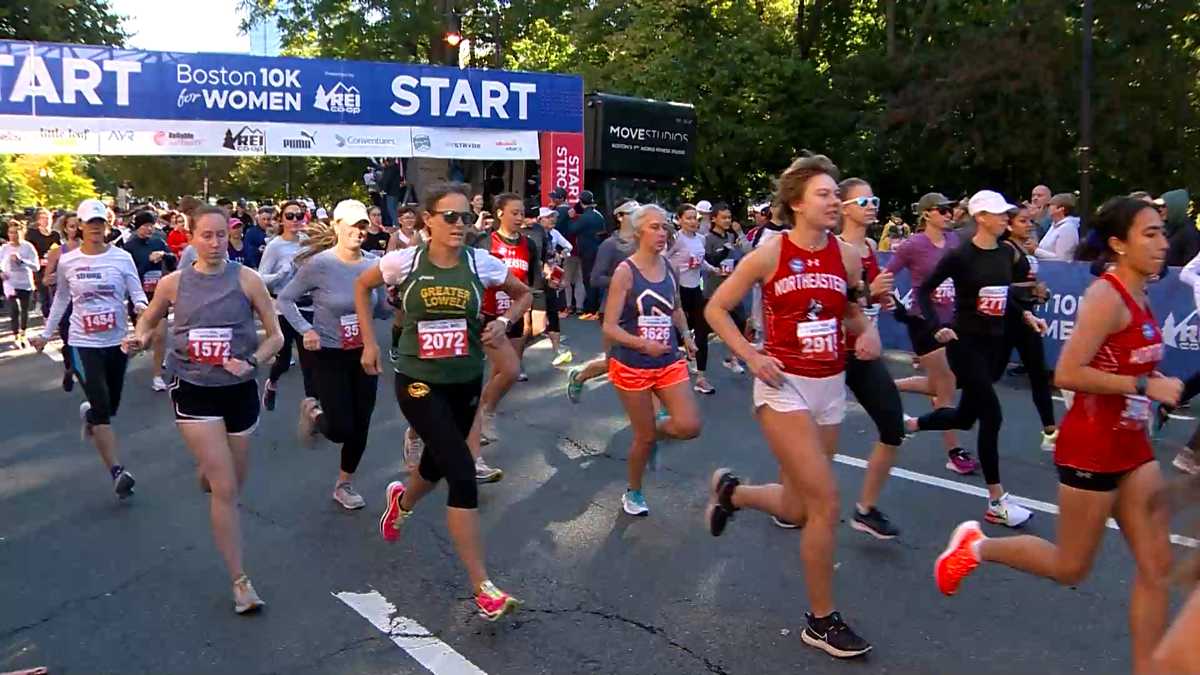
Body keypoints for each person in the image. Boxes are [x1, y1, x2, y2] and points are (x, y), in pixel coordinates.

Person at [934, 196, 1179, 674]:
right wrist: (1144, 384)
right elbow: (1065, 372)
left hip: (1133, 449)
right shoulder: (1106, 297)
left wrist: (1150, 394)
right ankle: (974, 547)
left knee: (1157, 568)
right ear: (1118, 244)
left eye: (1162, 232)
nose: (1162, 243)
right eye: (1149, 234)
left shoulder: (1142, 293)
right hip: (1091, 449)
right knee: (1071, 566)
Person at [703, 154, 880, 659]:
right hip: (784, 387)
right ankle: (821, 621)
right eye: (824, 194)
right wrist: (751, 355)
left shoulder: (844, 256)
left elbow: (847, 308)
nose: (834, 202)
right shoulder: (769, 252)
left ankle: (733, 494)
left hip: (831, 389)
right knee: (826, 501)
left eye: (835, 194)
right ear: (797, 203)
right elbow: (716, 308)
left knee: (800, 507)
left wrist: (864, 332)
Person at [356, 181, 531, 621]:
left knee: (435, 463)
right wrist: (369, 344)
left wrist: (504, 320)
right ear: (428, 221)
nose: (459, 225)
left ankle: (403, 504)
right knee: (460, 470)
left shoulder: (481, 262)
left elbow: (525, 294)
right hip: (417, 380)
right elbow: (362, 286)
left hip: (465, 378)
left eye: (465, 218)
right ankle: (483, 587)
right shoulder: (404, 261)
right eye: (449, 217)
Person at [125, 204, 282, 614]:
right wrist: (140, 339)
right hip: (193, 388)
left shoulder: (247, 280)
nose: (214, 244)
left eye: (220, 235)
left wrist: (252, 361)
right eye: (206, 236)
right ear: (191, 237)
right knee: (226, 489)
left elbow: (276, 336)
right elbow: (149, 320)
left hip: (239, 389)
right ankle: (240, 581)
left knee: (231, 481)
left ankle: (208, 469)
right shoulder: (174, 284)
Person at [904, 190, 1045, 527]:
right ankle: (996, 502)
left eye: (1005, 214)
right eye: (998, 214)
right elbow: (924, 290)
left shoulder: (1003, 254)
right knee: (992, 416)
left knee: (967, 416)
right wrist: (938, 327)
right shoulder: (961, 255)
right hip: (964, 344)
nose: (1004, 219)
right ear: (980, 217)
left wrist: (1026, 317)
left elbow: (1001, 295)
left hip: (993, 346)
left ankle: (909, 425)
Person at [32, 199, 147, 499]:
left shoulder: (121, 258)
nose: (96, 228)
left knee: (110, 407)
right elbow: (61, 300)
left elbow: (137, 296)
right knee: (102, 409)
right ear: (80, 226)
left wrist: (142, 322)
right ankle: (117, 472)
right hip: (83, 342)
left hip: (117, 341)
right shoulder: (69, 261)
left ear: (106, 226)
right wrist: (46, 334)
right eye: (90, 223)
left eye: (100, 223)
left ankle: (91, 416)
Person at [282, 201, 388, 510]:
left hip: (365, 352)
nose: (358, 231)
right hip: (329, 352)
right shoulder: (319, 264)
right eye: (353, 225)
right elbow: (286, 300)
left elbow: (380, 308)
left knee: (362, 423)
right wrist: (306, 330)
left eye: (363, 226)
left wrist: (402, 306)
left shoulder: (373, 264)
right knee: (341, 427)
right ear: (336, 226)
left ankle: (344, 483)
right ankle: (314, 412)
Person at [603, 204, 701, 515]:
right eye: (655, 227)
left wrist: (686, 336)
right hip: (633, 365)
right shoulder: (625, 272)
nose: (663, 234)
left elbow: (676, 308)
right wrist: (642, 343)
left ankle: (656, 431)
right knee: (643, 439)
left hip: (668, 360)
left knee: (689, 425)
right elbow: (610, 326)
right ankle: (633, 491)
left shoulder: (669, 268)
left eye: (665, 228)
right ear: (638, 232)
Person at [885, 192, 977, 475]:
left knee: (941, 385)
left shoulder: (954, 241)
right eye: (942, 210)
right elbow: (884, 276)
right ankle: (953, 451)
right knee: (946, 384)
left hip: (953, 322)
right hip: (924, 323)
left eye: (951, 210)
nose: (949, 214)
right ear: (926, 214)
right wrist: (895, 307)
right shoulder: (913, 245)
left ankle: (887, 387)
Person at [837, 179, 904, 539]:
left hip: (863, 353)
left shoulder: (867, 247)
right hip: (831, 352)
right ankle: (790, 498)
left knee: (892, 426)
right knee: (815, 437)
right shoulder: (835, 248)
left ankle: (865, 509)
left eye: (874, 198)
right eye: (863, 200)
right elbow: (835, 304)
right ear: (844, 208)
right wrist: (870, 296)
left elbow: (870, 298)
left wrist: (883, 300)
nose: (871, 204)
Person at [565, 199, 639, 403]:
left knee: (648, 360)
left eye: (638, 213)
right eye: (631, 213)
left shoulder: (643, 242)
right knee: (614, 361)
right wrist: (625, 282)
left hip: (641, 310)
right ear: (620, 216)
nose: (636, 217)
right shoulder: (610, 245)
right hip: (614, 310)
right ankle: (579, 376)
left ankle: (658, 411)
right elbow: (596, 279)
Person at [1004, 207, 1059, 450]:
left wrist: (1038, 294)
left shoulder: (1024, 249)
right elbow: (1002, 288)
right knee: (990, 372)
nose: (1029, 225)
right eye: (1023, 221)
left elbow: (1024, 285)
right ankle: (942, 397)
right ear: (1009, 224)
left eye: (1030, 221)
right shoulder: (1007, 250)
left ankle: (1050, 431)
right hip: (1010, 318)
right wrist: (1025, 302)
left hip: (1026, 317)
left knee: (1038, 373)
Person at [258, 200, 317, 412]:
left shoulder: (309, 241)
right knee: (283, 360)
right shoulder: (275, 246)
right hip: (283, 308)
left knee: (310, 361)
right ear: (281, 220)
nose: (295, 221)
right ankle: (272, 383)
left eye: (299, 216)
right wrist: (282, 273)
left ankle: (313, 408)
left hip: (307, 306)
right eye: (290, 216)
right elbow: (261, 278)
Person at [124, 210, 176, 391]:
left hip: (158, 295)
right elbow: (130, 275)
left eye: (151, 225)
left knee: (161, 336)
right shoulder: (130, 247)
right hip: (139, 296)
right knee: (144, 341)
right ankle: (122, 355)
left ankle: (157, 376)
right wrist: (148, 261)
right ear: (138, 227)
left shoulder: (158, 241)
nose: (149, 229)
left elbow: (173, 263)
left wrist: (165, 255)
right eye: (145, 225)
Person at [665, 204, 715, 393]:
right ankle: (668, 375)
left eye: (695, 218)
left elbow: (701, 262)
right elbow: (663, 259)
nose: (693, 221)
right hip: (677, 291)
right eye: (688, 218)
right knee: (675, 335)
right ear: (679, 220)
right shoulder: (676, 240)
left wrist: (712, 269)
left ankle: (701, 377)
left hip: (695, 290)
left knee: (701, 332)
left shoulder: (701, 239)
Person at [698, 202, 752, 374]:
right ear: (714, 219)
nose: (728, 221)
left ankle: (733, 358)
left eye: (729, 217)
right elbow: (707, 261)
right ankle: (693, 354)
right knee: (704, 329)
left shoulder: (730, 236)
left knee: (740, 321)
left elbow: (738, 256)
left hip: (730, 287)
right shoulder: (708, 238)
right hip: (713, 289)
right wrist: (722, 253)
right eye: (724, 217)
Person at [44, 211, 81, 391]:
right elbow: (45, 278)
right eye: (71, 226)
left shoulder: (93, 249)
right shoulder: (57, 252)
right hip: (65, 300)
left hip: (86, 300)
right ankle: (70, 367)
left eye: (78, 225)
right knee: (68, 338)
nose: (76, 230)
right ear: (65, 229)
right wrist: (51, 278)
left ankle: (82, 367)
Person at [535, 207, 573, 365]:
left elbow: (568, 247)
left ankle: (557, 349)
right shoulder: (532, 236)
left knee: (553, 312)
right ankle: (515, 357)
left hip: (551, 278)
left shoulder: (554, 234)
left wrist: (561, 254)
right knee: (532, 325)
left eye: (553, 217)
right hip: (534, 281)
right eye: (548, 217)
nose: (552, 220)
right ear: (540, 220)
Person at [566, 190, 607, 319]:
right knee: (596, 278)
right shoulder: (599, 215)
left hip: (586, 251)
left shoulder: (584, 217)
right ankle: (597, 308)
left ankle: (590, 309)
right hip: (598, 249)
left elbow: (572, 230)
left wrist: (572, 218)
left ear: (581, 202)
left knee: (587, 279)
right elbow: (603, 232)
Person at [1, 220, 39, 347]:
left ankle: (23, 333)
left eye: (16, 233)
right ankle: (16, 335)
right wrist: (1, 272)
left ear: (21, 233)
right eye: (11, 233)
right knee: (14, 309)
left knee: (24, 310)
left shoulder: (28, 247)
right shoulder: (4, 248)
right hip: (10, 283)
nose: (13, 235)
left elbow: (36, 267)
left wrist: (21, 260)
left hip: (25, 282)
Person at [25, 207, 60, 318]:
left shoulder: (55, 234)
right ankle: (47, 317)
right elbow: (28, 250)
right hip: (40, 268)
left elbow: (61, 249)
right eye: (43, 218)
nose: (46, 220)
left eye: (48, 218)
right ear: (38, 221)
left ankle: (55, 319)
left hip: (54, 267)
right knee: (44, 295)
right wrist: (39, 260)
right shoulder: (32, 234)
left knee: (56, 295)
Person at [1034, 193, 1080, 261]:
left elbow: (1063, 259)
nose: (1048, 208)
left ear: (1061, 209)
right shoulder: (1054, 226)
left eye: (1051, 205)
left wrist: (1035, 250)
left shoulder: (1068, 228)